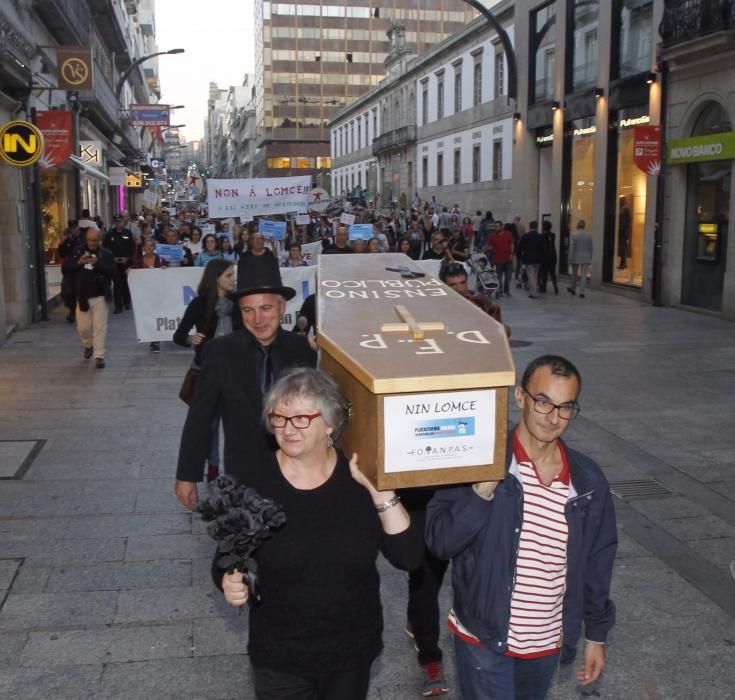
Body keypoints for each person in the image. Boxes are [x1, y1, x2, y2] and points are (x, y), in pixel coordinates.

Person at [219, 368, 422, 700]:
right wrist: (228, 579)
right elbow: (227, 555)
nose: (287, 428)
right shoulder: (254, 481)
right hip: (280, 655)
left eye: (300, 418)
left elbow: (409, 557)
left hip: (351, 651)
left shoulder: (359, 480)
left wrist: (381, 493)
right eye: (279, 418)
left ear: (330, 423)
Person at [426, 355, 617, 700]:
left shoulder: (586, 481)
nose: (553, 417)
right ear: (520, 397)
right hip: (483, 638)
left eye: (565, 408)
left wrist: (596, 635)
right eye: (543, 402)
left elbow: (597, 562)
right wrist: (480, 491)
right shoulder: (479, 459)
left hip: (547, 644)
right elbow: (440, 542)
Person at [175, 256, 317, 509]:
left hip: (297, 474)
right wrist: (187, 475)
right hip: (243, 478)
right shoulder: (219, 352)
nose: (258, 320)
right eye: (248, 310)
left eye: (266, 309)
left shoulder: (301, 350)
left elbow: (323, 409)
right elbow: (200, 417)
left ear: (282, 306)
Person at [174, 259, 236, 481]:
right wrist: (190, 337)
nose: (233, 279)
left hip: (233, 373)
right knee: (208, 424)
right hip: (205, 372)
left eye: (233, 274)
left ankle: (233, 467)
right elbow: (178, 335)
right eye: (229, 275)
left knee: (236, 423)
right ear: (216, 277)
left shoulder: (237, 303)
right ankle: (212, 465)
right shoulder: (199, 304)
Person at [62, 228, 114, 369]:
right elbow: (65, 269)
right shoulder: (77, 252)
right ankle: (88, 345)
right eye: (90, 240)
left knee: (100, 327)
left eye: (95, 240)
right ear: (86, 239)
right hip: (82, 296)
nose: (92, 243)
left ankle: (99, 356)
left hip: (100, 295)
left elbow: (112, 271)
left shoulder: (106, 253)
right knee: (83, 328)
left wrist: (97, 263)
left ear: (99, 240)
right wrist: (79, 262)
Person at [133, 237, 167, 353]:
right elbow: (133, 274)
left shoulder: (161, 260)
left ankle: (156, 341)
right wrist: (129, 271)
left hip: (157, 294)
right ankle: (150, 337)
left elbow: (168, 275)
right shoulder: (138, 261)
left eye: (151, 245)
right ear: (143, 248)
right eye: (146, 245)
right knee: (147, 317)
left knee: (156, 316)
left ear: (154, 247)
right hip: (144, 295)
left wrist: (164, 270)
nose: (148, 248)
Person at [104, 213, 135, 314]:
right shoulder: (109, 234)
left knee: (126, 283)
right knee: (117, 284)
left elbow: (132, 247)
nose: (118, 224)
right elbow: (106, 249)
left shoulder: (128, 233)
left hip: (126, 263)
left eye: (120, 221)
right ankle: (118, 306)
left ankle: (127, 303)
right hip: (115, 264)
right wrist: (112, 258)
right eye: (116, 222)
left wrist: (128, 258)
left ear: (123, 222)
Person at [58, 219, 82, 322]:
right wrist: (62, 243)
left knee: (81, 290)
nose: (73, 230)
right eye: (71, 228)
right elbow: (62, 254)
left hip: (80, 269)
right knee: (67, 291)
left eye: (74, 227)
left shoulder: (83, 238)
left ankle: (82, 310)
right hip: (69, 269)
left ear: (78, 227)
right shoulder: (67, 240)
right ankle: (72, 311)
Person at [517, 220, 545, 299]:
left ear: (530, 227)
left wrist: (519, 257)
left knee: (531, 275)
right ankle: (533, 290)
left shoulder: (525, 236)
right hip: (538, 259)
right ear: (536, 227)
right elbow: (543, 248)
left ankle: (534, 292)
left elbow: (520, 248)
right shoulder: (540, 236)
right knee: (535, 275)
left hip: (528, 259)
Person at [567, 220, 593, 298]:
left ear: (577, 225)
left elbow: (572, 248)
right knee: (584, 275)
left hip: (576, 257)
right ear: (584, 226)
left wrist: (570, 258)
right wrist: (590, 257)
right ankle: (581, 292)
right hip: (586, 257)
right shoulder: (588, 235)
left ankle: (573, 288)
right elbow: (591, 248)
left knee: (574, 274)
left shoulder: (574, 235)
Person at [488, 223, 515, 298]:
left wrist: (512, 253)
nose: (496, 228)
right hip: (498, 259)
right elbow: (489, 245)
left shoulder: (508, 234)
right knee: (499, 276)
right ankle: (500, 290)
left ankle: (506, 290)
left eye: (497, 226)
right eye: (495, 226)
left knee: (508, 276)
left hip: (508, 258)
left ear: (502, 227)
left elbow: (512, 244)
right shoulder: (492, 236)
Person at [538, 220, 559, 294]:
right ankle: (555, 287)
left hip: (545, 257)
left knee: (544, 272)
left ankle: (543, 288)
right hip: (553, 256)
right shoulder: (553, 235)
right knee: (552, 272)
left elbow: (541, 247)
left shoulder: (541, 236)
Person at [617, 196, 631, 270]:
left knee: (623, 248)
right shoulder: (627, 209)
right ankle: (623, 263)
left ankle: (623, 263)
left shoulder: (625, 209)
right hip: (625, 232)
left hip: (623, 232)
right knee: (623, 248)